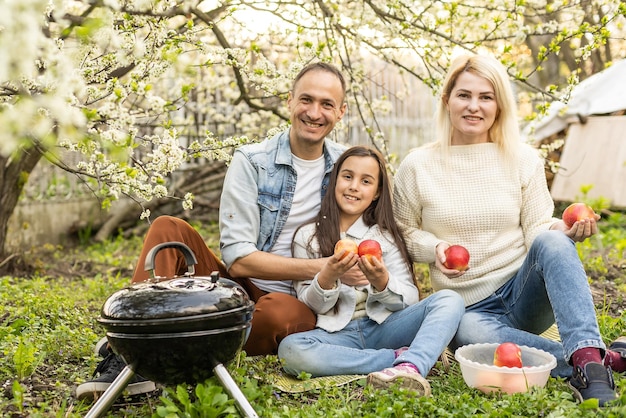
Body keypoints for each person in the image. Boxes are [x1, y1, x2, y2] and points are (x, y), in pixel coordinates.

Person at [76, 62, 367, 401]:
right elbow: (239, 259)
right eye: (306, 100)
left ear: (341, 112)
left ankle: (165, 342)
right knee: (168, 227)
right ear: (289, 102)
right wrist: (322, 266)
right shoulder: (253, 161)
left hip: (302, 297)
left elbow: (381, 220)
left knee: (280, 315)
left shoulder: (348, 166)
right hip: (235, 287)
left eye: (327, 104)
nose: (314, 112)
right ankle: (132, 350)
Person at [392, 53, 625, 406]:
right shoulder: (417, 166)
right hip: (469, 310)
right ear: (447, 100)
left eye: (486, 97)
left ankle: (589, 368)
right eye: (464, 95)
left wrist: (560, 229)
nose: (474, 106)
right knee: (468, 332)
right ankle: (596, 360)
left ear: (499, 105)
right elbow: (403, 232)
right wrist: (434, 247)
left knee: (552, 241)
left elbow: (537, 229)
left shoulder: (523, 158)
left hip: (522, 292)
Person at [277, 146, 465, 396]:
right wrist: (328, 276)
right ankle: (399, 360)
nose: (354, 186)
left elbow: (409, 299)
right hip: (338, 334)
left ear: (376, 193)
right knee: (291, 350)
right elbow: (309, 306)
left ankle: (411, 365)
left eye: (366, 181)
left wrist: (382, 281)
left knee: (449, 300)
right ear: (334, 182)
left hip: (386, 327)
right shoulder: (308, 237)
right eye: (347, 177)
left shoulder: (385, 238)